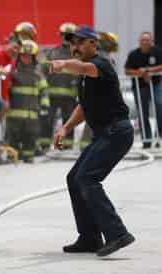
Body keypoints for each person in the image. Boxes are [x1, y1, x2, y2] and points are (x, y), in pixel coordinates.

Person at [51, 25, 135, 257]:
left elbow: (83, 66)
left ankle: (117, 234)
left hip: (117, 132)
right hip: (104, 134)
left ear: (93, 44)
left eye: (80, 42)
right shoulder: (84, 76)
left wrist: (63, 64)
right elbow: (84, 107)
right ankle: (90, 237)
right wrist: (65, 128)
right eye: (72, 43)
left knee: (87, 178)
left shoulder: (101, 65)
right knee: (74, 178)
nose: (75, 47)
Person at [6, 40, 49, 163]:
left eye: (29, 56)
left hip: (32, 112)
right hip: (15, 113)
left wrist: (45, 105)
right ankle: (13, 156)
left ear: (34, 57)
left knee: (31, 135)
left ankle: (29, 156)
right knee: (14, 135)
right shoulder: (14, 71)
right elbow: (6, 89)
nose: (26, 58)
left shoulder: (38, 73)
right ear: (19, 56)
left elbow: (44, 90)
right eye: (24, 56)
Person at [44, 22, 79, 149]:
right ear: (61, 35)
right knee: (47, 120)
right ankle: (44, 145)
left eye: (70, 35)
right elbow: (43, 70)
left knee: (69, 121)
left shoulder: (77, 54)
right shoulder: (52, 53)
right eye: (65, 35)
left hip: (70, 95)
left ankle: (67, 146)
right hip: (51, 94)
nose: (67, 38)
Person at [125, 32, 162, 148]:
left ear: (151, 41)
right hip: (139, 87)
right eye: (143, 40)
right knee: (142, 112)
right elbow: (127, 70)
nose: (145, 42)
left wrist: (148, 70)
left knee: (160, 106)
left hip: (156, 85)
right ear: (139, 42)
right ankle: (146, 140)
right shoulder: (133, 54)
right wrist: (141, 73)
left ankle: (158, 136)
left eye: (147, 40)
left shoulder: (157, 51)